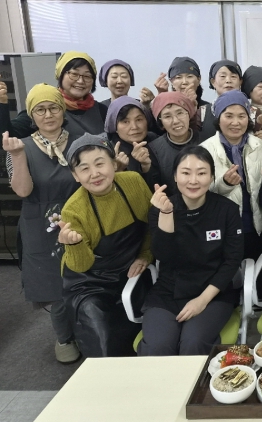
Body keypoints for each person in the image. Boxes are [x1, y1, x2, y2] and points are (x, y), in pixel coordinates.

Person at [138, 146, 244, 356]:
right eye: (186, 173)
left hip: (213, 293)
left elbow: (232, 261)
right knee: (159, 346)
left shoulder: (227, 210)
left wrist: (202, 301)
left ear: (212, 177)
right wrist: (166, 213)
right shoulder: (161, 208)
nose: (193, 180)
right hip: (168, 291)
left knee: (192, 343)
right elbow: (163, 255)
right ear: (175, 176)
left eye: (202, 173)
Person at [2, 84, 81, 363]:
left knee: (83, 279)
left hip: (79, 218)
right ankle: (64, 337)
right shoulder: (19, 146)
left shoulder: (81, 141)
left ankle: (88, 331)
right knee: (55, 287)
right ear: (32, 115)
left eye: (53, 108)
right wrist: (17, 156)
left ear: (63, 110)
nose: (48, 115)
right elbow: (23, 191)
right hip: (40, 225)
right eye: (40, 110)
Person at [58, 133, 153, 357]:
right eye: (84, 169)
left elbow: (153, 225)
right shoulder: (73, 209)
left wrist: (145, 254)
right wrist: (74, 244)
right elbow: (81, 265)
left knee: (145, 333)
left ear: (114, 163)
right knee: (102, 338)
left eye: (100, 163)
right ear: (75, 176)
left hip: (130, 270)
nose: (95, 174)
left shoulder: (133, 182)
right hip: (88, 283)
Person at [200, 90, 262, 299]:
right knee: (229, 286)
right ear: (218, 118)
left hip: (257, 226)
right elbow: (198, 193)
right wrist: (224, 184)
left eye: (241, 116)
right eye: (229, 115)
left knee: (260, 286)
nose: (235, 122)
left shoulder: (261, 147)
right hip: (224, 229)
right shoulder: (205, 150)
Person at [0, 51, 108, 139]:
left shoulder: (102, 111)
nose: (80, 81)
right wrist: (2, 103)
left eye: (87, 76)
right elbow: (7, 137)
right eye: (74, 74)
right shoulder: (42, 108)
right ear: (61, 75)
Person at [146, 91, 200, 194]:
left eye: (180, 113)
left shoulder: (206, 140)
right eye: (167, 116)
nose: (175, 121)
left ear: (188, 114)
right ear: (161, 122)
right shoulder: (154, 149)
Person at [104, 96, 157, 175]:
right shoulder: (107, 151)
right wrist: (118, 171)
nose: (134, 127)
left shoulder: (156, 141)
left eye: (139, 120)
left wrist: (145, 167)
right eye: (125, 122)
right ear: (114, 126)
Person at [199, 60, 243, 140]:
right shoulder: (202, 112)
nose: (228, 80)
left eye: (233, 76)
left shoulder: (253, 112)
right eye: (223, 76)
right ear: (213, 82)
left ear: (240, 82)